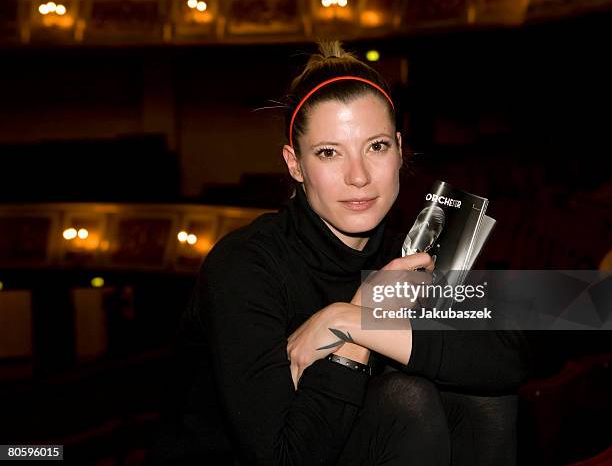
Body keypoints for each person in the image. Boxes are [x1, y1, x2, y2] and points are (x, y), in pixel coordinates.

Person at [147, 41, 530, 466]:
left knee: (479, 393)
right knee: (407, 397)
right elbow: (285, 458)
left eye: (377, 146)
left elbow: (507, 357)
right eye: (329, 153)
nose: (359, 177)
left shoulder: (405, 251)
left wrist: (346, 318)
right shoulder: (244, 267)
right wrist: (361, 322)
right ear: (295, 165)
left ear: (400, 150)